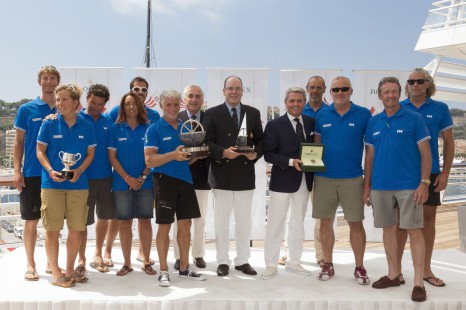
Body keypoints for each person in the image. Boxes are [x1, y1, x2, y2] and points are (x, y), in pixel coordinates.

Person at [363, 76, 432, 302]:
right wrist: (367, 185)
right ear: (380, 95)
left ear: (399, 94)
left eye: (394, 91)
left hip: (409, 185)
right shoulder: (374, 121)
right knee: (388, 230)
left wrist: (424, 182)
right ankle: (394, 274)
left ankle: (418, 282)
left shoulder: (414, 118)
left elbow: (426, 153)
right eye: (386, 92)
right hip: (381, 186)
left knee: (414, 230)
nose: (390, 95)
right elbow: (370, 156)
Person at [396, 68, 454, 287]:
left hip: (430, 174)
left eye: (420, 81)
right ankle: (397, 271)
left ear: (428, 84)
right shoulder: (399, 107)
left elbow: (449, 142)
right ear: (407, 85)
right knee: (401, 222)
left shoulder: (440, 108)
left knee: (428, 220)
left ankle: (426, 270)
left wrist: (446, 172)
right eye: (411, 81)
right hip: (403, 173)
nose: (415, 84)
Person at [203, 75, 264, 277]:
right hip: (221, 175)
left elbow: (262, 141)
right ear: (224, 90)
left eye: (238, 88)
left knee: (244, 221)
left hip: (245, 175)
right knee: (221, 222)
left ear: (242, 91)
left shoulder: (253, 114)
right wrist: (222, 152)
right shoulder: (211, 113)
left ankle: (242, 260)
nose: (234, 91)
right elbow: (206, 142)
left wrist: (256, 153)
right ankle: (222, 261)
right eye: (230, 88)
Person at [144, 89, 206, 287]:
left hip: (186, 180)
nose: (172, 108)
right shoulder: (154, 129)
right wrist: (173, 155)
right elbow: (149, 159)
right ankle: (163, 270)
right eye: (168, 104)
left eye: (175, 104)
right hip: (164, 180)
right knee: (165, 226)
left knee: (186, 224)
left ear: (180, 104)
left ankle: (184, 267)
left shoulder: (186, 127)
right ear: (161, 105)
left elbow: (188, 156)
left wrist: (197, 154)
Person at [36, 83, 96, 287]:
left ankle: (69, 270)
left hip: (79, 185)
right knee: (52, 230)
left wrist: (79, 170)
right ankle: (55, 272)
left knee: (76, 229)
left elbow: (90, 154)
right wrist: (51, 171)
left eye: (64, 99)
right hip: (51, 184)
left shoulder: (87, 126)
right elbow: (40, 151)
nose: (59, 103)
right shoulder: (49, 123)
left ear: (76, 103)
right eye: (58, 99)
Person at [313, 76, 371, 284]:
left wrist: (367, 181)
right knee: (325, 222)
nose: (340, 92)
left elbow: (369, 149)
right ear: (331, 92)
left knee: (356, 223)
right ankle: (327, 263)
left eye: (344, 89)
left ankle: (359, 266)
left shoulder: (364, 114)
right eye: (336, 89)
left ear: (351, 91)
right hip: (323, 178)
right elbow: (316, 145)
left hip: (353, 178)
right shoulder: (322, 114)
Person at [261, 87, 315, 280]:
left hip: (304, 180)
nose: (296, 104)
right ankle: (270, 264)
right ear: (286, 102)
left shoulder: (311, 122)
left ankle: (294, 261)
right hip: (281, 181)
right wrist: (291, 162)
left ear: (304, 102)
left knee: (298, 224)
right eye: (292, 100)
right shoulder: (274, 125)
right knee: (275, 224)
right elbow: (268, 154)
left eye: (300, 100)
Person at [13, 65, 61, 281]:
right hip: (32, 172)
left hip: (56, 173)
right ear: (39, 81)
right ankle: (30, 265)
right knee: (31, 221)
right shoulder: (27, 109)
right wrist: (17, 170)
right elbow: (18, 142)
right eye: (45, 78)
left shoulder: (64, 108)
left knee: (54, 222)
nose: (49, 82)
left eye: (52, 78)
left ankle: (51, 262)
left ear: (57, 81)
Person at [108, 76, 159, 266]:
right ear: (123, 106)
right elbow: (112, 158)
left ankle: (145, 259)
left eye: (134, 104)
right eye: (128, 103)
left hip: (146, 181)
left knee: (145, 221)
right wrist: (128, 178)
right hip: (122, 183)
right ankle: (127, 263)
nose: (131, 107)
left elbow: (154, 155)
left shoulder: (150, 128)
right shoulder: (115, 128)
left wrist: (144, 175)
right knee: (125, 223)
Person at [76, 84, 116, 274]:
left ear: (105, 105)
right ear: (87, 99)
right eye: (92, 102)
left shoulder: (108, 122)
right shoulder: (76, 118)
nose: (95, 107)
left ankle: (98, 253)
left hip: (106, 178)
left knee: (105, 218)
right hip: (82, 179)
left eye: (100, 104)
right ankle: (81, 257)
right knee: (83, 221)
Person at [173, 84, 210, 270]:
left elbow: (211, 144)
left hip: (202, 177)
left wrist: (196, 157)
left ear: (202, 100)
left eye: (197, 96)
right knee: (178, 220)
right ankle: (179, 256)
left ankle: (198, 254)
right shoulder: (176, 118)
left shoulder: (209, 118)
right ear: (184, 100)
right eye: (190, 96)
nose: (194, 99)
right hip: (179, 175)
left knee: (200, 219)